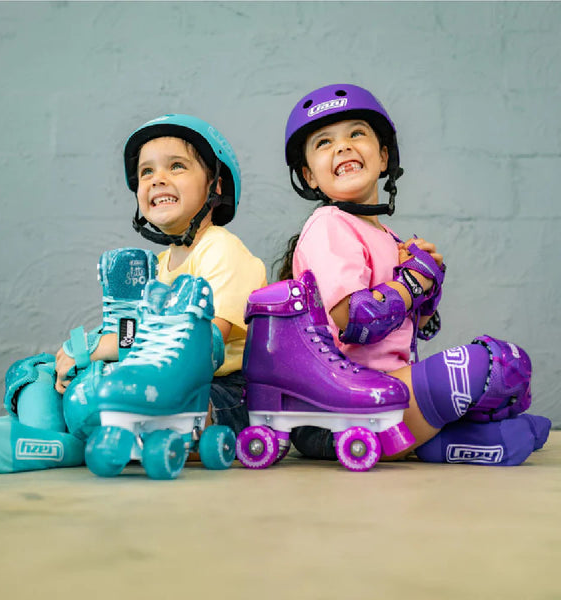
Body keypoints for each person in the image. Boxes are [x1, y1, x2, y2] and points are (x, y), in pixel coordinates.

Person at [276, 84, 550, 466]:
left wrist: (428, 289)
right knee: (493, 365)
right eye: (324, 142)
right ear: (309, 176)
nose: (342, 146)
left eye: (357, 133)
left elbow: (413, 328)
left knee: (516, 416)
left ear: (383, 157)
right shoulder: (328, 224)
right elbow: (353, 320)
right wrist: (412, 282)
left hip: (382, 392)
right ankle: (435, 432)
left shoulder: (389, 237)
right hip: (336, 406)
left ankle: (440, 442)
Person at [55, 113, 266, 436]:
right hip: (167, 378)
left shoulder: (221, 249)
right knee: (50, 378)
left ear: (215, 186)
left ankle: (130, 432)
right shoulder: (158, 265)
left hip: (226, 390)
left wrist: (99, 347)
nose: (157, 179)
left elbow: (201, 344)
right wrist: (86, 355)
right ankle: (55, 436)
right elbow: (134, 334)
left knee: (129, 401)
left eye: (176, 166)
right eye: (147, 171)